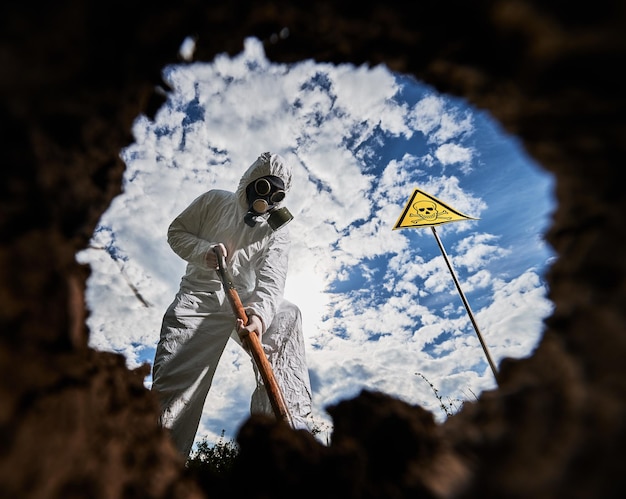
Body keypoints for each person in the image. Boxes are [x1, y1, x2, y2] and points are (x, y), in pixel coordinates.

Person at [151, 151, 313, 458]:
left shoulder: (277, 228)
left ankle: (287, 445)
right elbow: (176, 232)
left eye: (276, 194)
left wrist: (261, 316)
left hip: (248, 299)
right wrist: (203, 251)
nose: (265, 198)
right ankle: (158, 466)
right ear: (250, 181)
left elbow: (273, 275)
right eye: (262, 187)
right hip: (201, 296)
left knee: (287, 315)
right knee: (175, 381)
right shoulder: (214, 201)